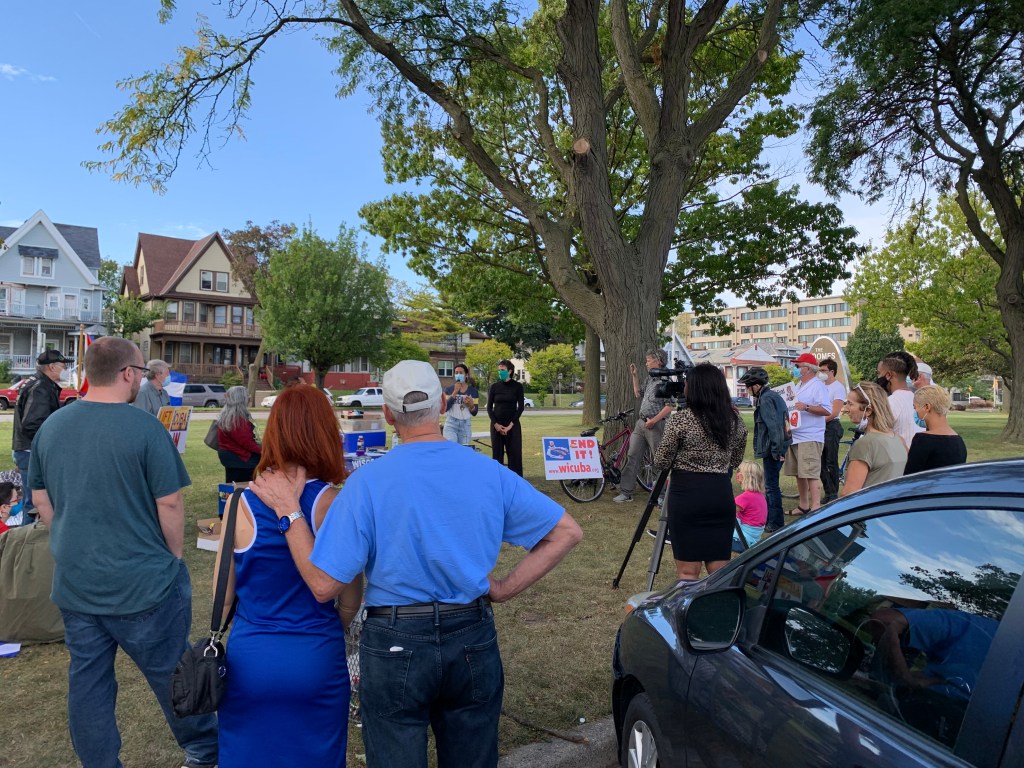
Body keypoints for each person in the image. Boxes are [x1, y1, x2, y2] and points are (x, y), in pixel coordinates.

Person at [249, 359, 583, 768]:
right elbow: (566, 532)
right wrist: (502, 588)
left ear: (388, 414)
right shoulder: (487, 471)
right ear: (441, 405)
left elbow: (323, 585)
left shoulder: (366, 483)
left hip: (395, 638)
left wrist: (289, 512)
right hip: (471, 631)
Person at [28, 336, 218, 768]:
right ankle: (205, 751)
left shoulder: (53, 427)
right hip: (145, 586)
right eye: (141, 371)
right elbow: (169, 503)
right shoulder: (145, 428)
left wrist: (69, 539)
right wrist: (174, 556)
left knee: (88, 685)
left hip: (78, 584)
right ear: (128, 374)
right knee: (174, 675)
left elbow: (41, 500)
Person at [216, 384, 361, 768]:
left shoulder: (239, 502)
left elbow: (222, 597)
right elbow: (349, 599)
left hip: (251, 658)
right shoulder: (333, 503)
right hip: (316, 655)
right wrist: (324, 626)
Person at [653, 363, 747, 581]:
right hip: (720, 494)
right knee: (720, 570)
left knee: (688, 572)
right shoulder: (735, 422)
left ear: (695, 388)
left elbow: (661, 461)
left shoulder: (681, 419)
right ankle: (719, 601)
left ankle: (689, 604)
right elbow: (735, 460)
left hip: (687, 495)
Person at [12, 349, 69, 522]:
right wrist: (51, 443)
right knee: (34, 503)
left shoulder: (39, 383)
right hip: (31, 451)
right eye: (63, 366)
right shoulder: (40, 388)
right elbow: (32, 424)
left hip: (28, 449)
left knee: (34, 502)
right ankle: (28, 538)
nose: (65, 370)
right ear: (52, 367)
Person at [613, 349, 674, 503]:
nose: (646, 363)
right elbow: (638, 393)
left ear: (658, 361)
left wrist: (654, 420)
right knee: (632, 456)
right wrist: (634, 376)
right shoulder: (650, 378)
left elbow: (670, 406)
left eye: (648, 360)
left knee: (659, 460)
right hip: (640, 424)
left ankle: (660, 496)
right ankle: (626, 492)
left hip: (656, 425)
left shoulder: (666, 381)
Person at [738, 367, 791, 533]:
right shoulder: (772, 396)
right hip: (777, 447)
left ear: (757, 385)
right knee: (771, 485)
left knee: (771, 486)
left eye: (748, 386)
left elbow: (774, 427)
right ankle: (772, 519)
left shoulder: (766, 399)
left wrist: (776, 450)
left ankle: (775, 523)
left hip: (773, 449)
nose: (747, 390)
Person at [840, 381, 907, 494]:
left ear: (868, 410)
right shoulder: (899, 439)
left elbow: (849, 493)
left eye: (850, 404)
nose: (845, 409)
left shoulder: (865, 444)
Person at [786, 352, 832, 515]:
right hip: (795, 435)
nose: (795, 369)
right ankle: (804, 505)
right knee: (799, 473)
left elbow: (827, 409)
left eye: (798, 366)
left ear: (808, 368)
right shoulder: (797, 385)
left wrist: (806, 407)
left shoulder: (818, 385)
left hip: (810, 436)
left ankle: (816, 507)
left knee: (811, 473)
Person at [904, 385, 967, 475]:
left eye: (915, 407)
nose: (915, 412)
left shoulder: (922, 440)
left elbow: (910, 477)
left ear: (927, 407)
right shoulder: (959, 441)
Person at [877, 351, 924, 449]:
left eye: (879, 373)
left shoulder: (889, 403)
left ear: (889, 375)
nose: (878, 377)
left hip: (898, 457)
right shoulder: (920, 400)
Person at [486, 358, 525, 476]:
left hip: (512, 426)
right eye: (499, 370)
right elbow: (489, 408)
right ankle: (498, 480)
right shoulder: (494, 387)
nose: (500, 372)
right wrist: (496, 424)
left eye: (502, 370)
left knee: (514, 455)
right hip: (496, 425)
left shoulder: (518, 386)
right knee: (497, 456)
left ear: (510, 371)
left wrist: (510, 426)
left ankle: (516, 481)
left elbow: (520, 408)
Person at [217, 385, 262, 482]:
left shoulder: (227, 415)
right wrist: (264, 451)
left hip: (231, 456)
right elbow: (247, 443)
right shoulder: (237, 419)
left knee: (233, 484)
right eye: (247, 396)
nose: (249, 399)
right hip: (241, 458)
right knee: (242, 485)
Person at [817, 358, 847, 503]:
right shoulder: (820, 386)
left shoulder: (838, 387)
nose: (821, 373)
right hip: (820, 427)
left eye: (823, 371)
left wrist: (819, 422)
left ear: (832, 371)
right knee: (820, 462)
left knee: (830, 461)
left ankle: (833, 493)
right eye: (820, 370)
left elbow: (834, 412)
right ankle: (828, 491)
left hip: (831, 426)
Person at [732, 460, 768, 551]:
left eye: (739, 471)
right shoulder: (760, 496)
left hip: (742, 541)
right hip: (754, 539)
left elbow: (726, 513)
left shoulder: (745, 498)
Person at [442, 362, 480, 446]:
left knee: (463, 449)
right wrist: (455, 392)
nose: (458, 375)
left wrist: (471, 405)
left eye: (461, 373)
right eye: (456, 373)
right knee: (451, 448)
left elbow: (475, 412)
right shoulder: (448, 390)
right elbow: (445, 408)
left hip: (465, 424)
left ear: (466, 375)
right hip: (451, 423)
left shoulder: (473, 391)